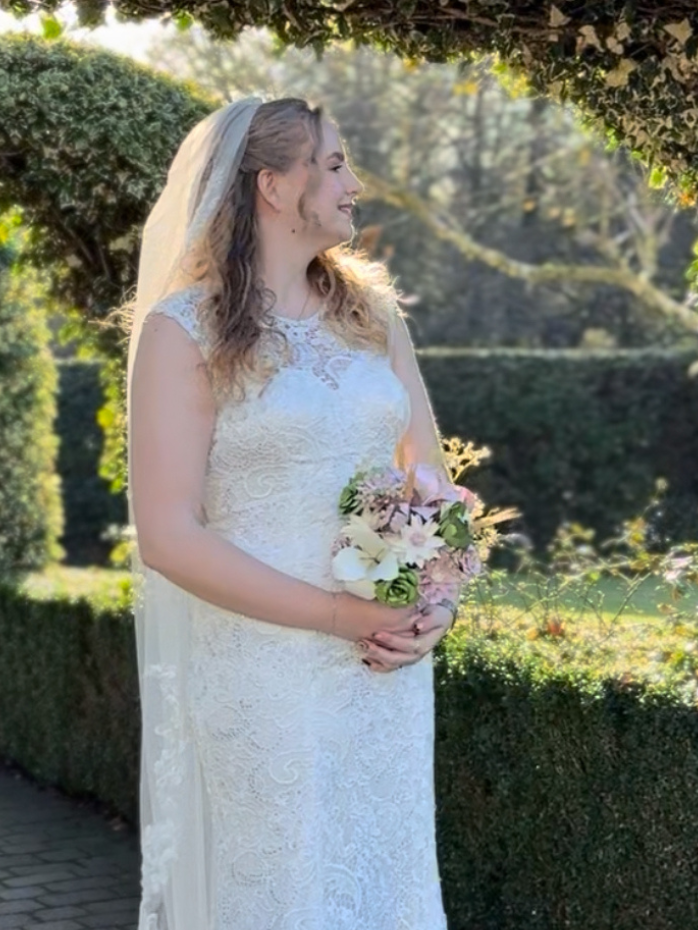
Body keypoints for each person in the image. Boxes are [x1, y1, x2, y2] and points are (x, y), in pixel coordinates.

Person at [124, 96, 459, 930]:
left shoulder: (372, 316)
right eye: (336, 164)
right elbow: (168, 535)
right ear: (273, 184)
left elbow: (431, 480)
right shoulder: (182, 332)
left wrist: (436, 608)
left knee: (387, 886)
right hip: (262, 672)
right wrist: (342, 614)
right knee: (285, 895)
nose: (355, 184)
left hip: (383, 670)